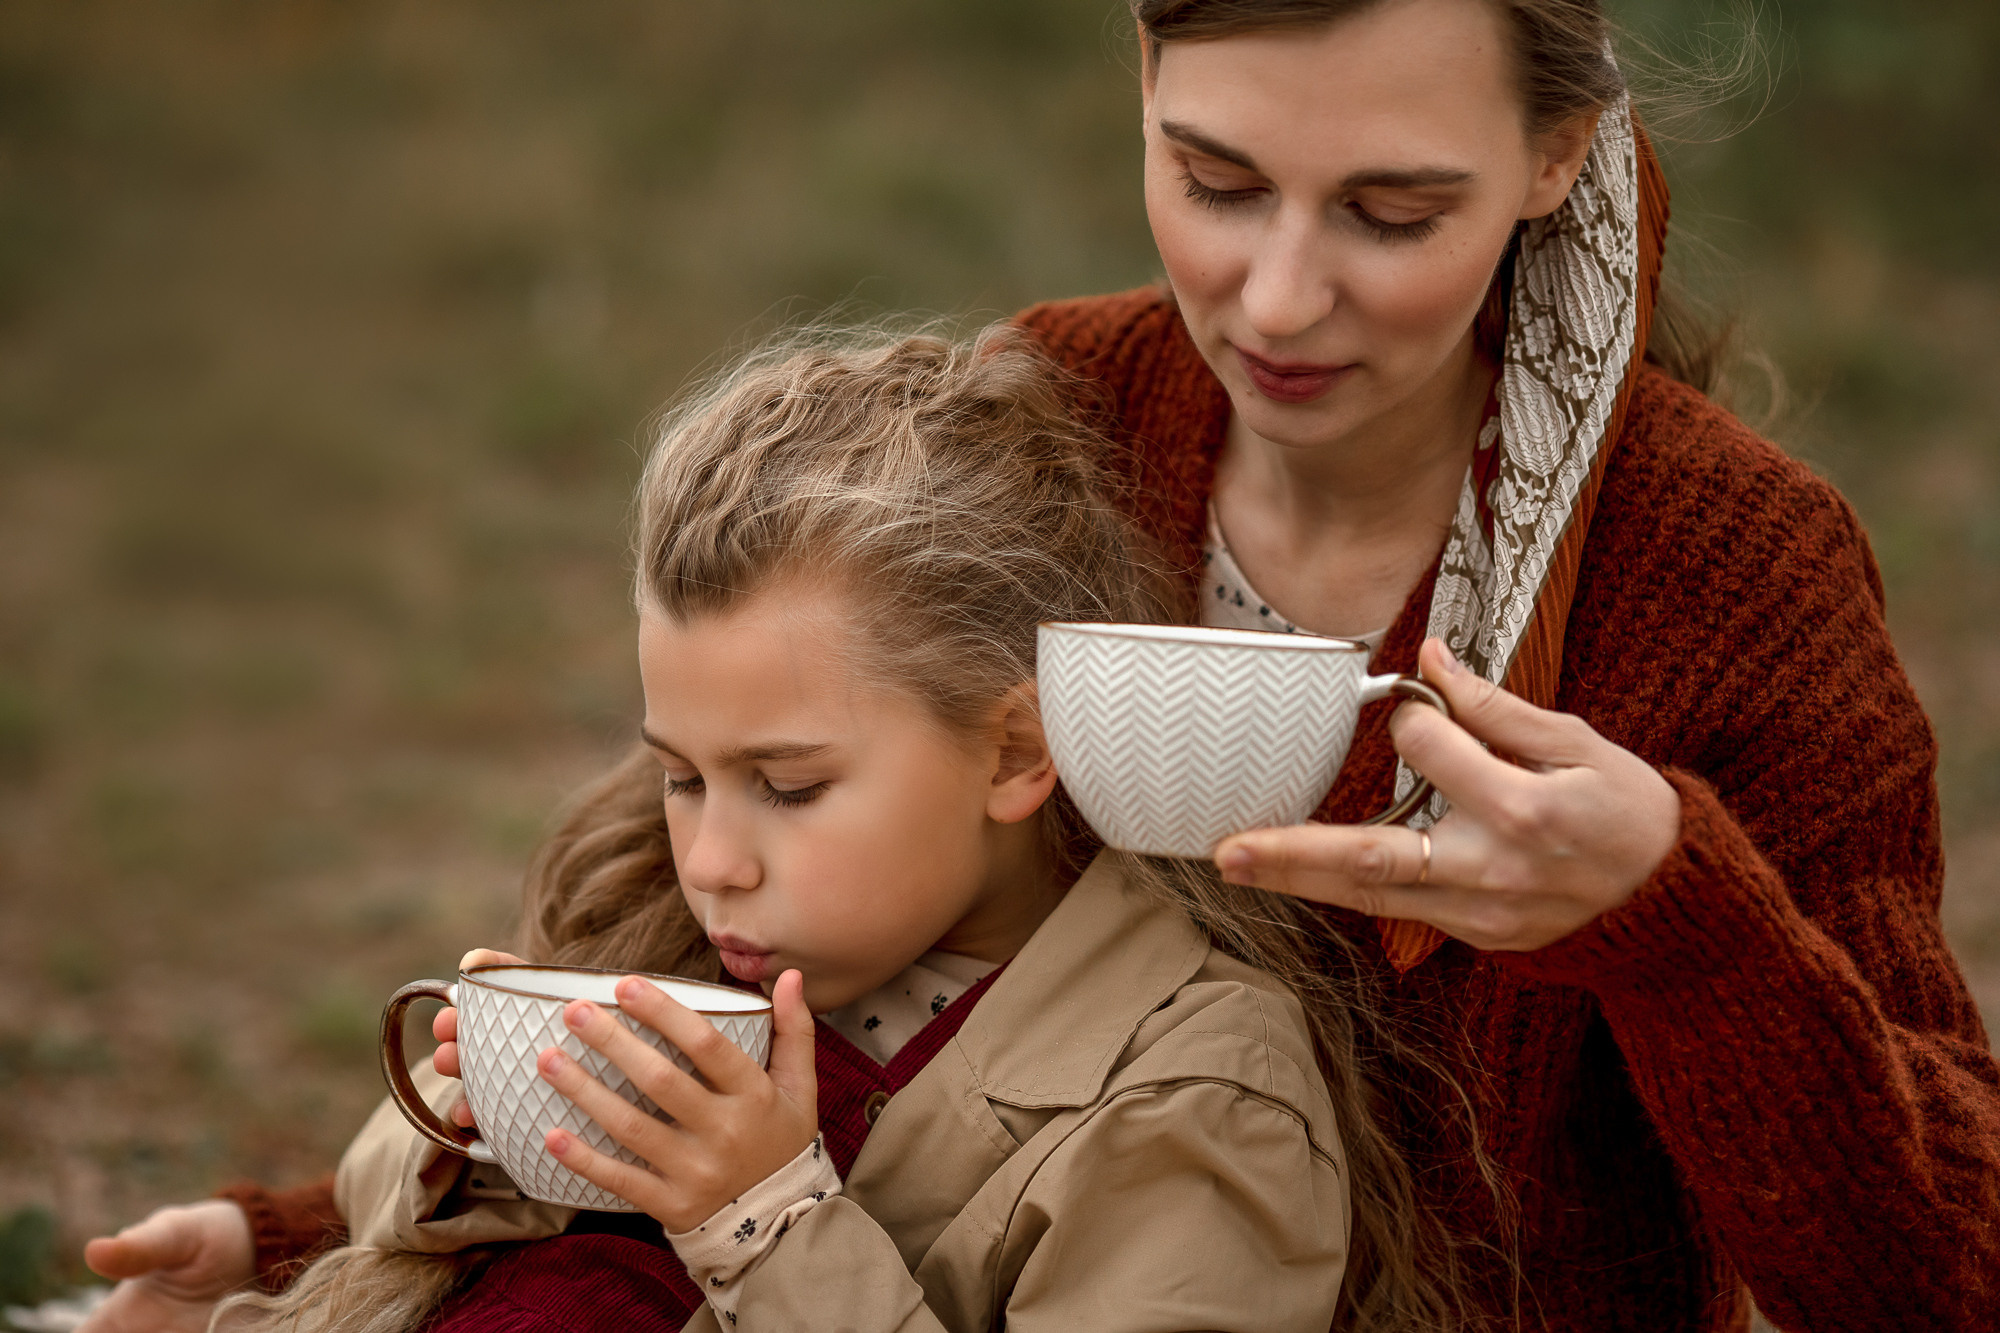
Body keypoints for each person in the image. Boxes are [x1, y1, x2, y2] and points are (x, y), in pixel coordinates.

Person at [83, 1, 2000, 1329]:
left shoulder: (1727, 575)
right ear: (1141, 85)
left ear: (1556, 151)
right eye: (1215, 179)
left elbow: (1947, 1276)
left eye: (1392, 212)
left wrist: (1678, 924)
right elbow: (765, 938)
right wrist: (324, 1229)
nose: (1278, 296)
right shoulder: (1065, 409)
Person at [85, 325, 1462, 1333]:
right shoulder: (687, 930)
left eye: (788, 786)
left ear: (1015, 749)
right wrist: (475, 1136)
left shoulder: (1188, 1100)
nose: (711, 858)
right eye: (681, 775)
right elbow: (450, 1232)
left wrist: (765, 1219)